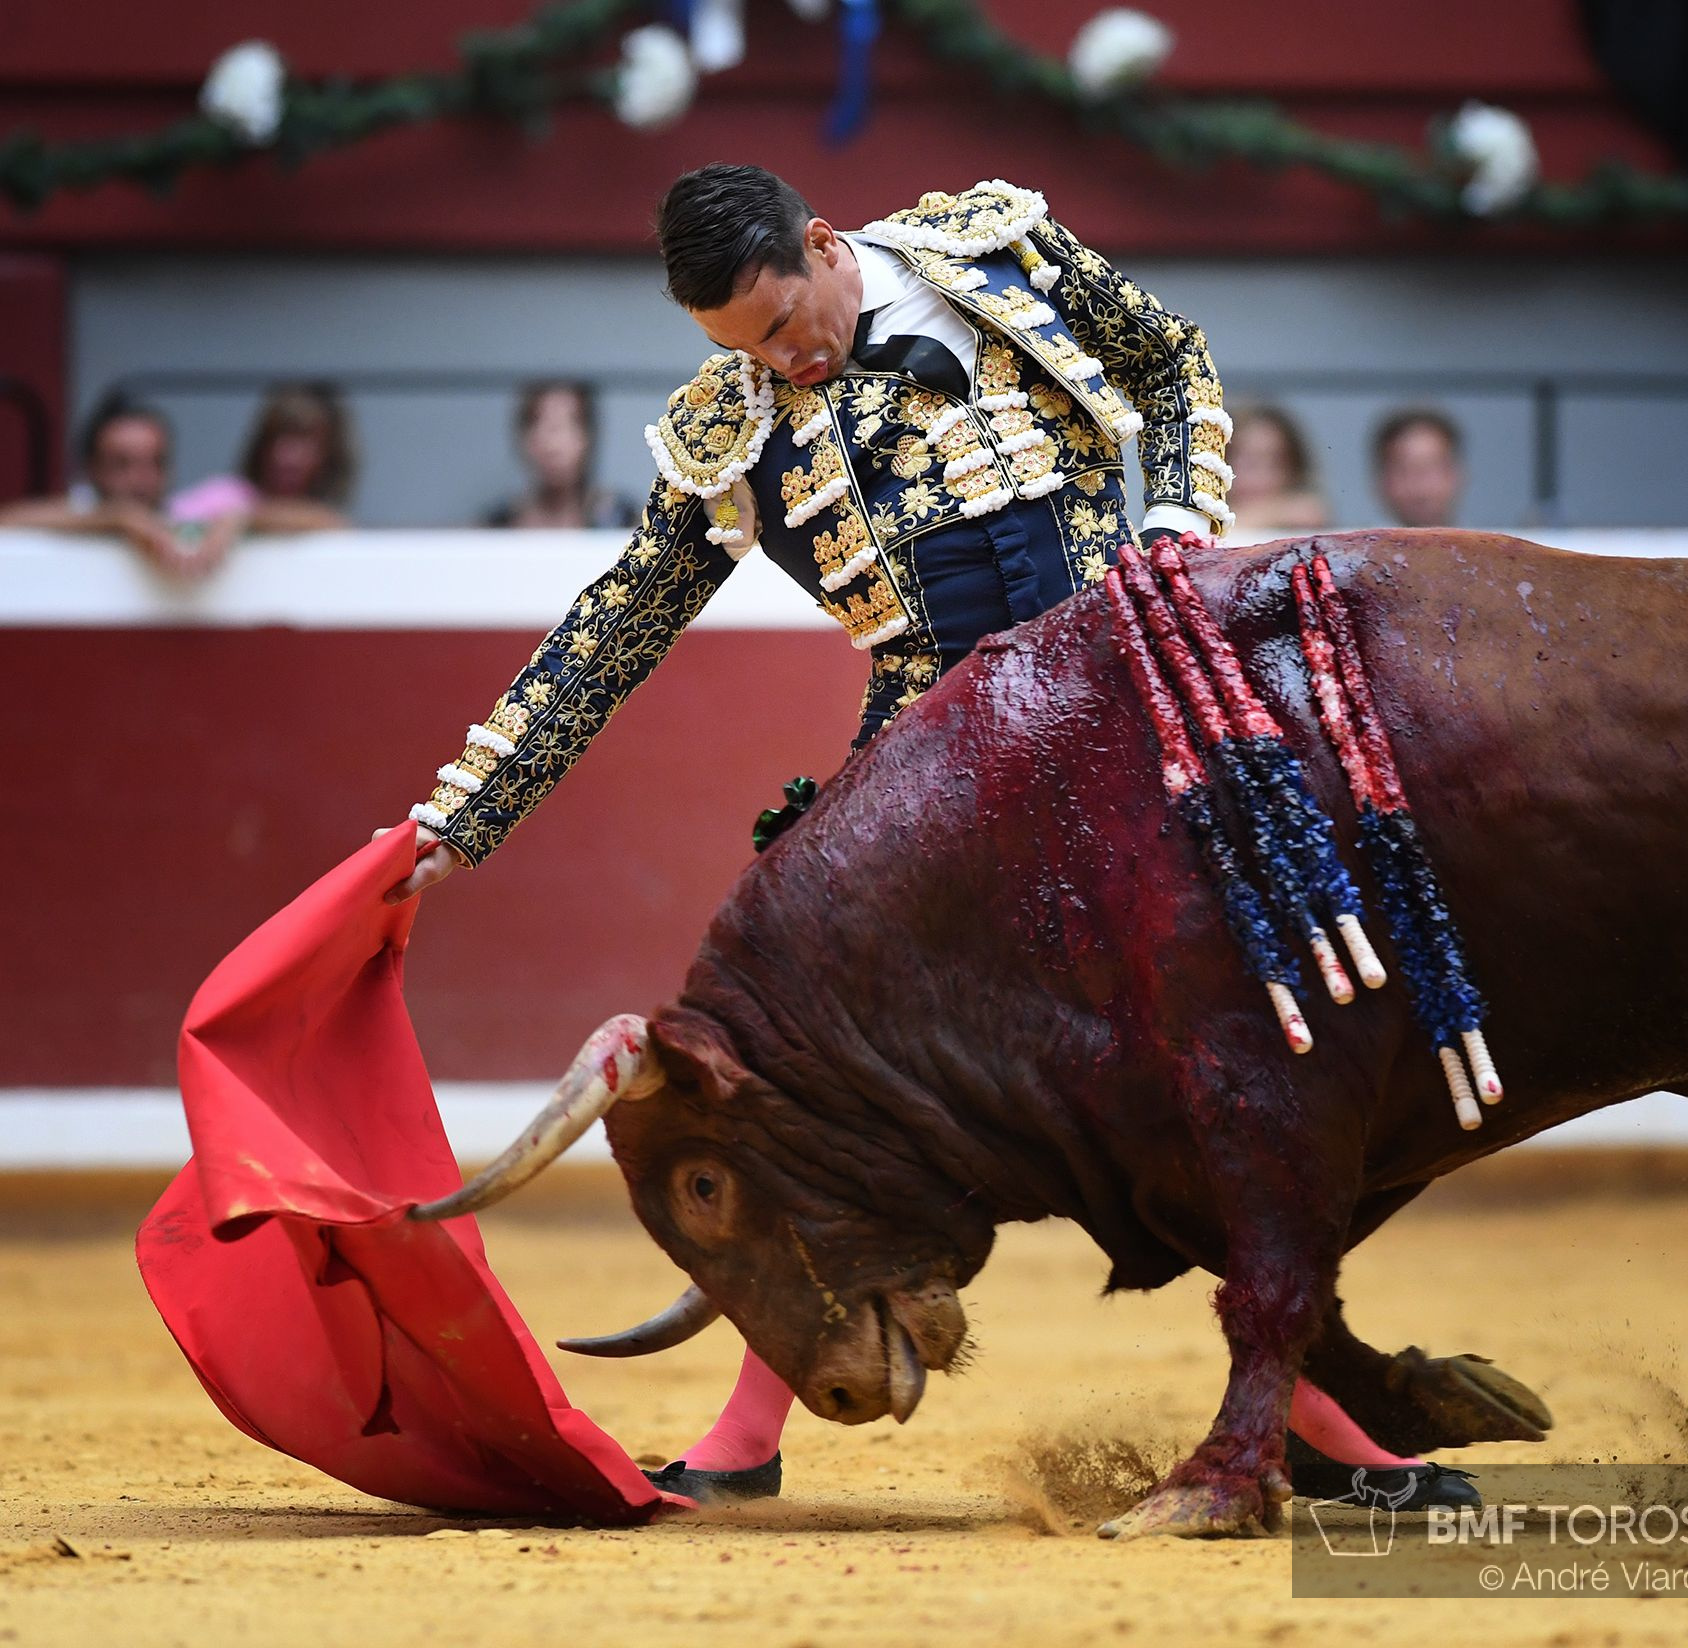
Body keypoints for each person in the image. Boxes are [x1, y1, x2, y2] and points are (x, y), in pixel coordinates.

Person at [377, 165, 1468, 1513]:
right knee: (820, 1095)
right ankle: (743, 1435)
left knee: (1230, 1057)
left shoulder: (993, 250)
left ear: (826, 247)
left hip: (1128, 715)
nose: (787, 363)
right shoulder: (727, 427)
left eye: (787, 324)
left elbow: (1171, 359)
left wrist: (1180, 522)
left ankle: (1315, 1413)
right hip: (926, 787)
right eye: (748, 350)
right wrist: (459, 817)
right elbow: (619, 625)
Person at [0, 392, 236, 578]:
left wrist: (238, 520)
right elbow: (6, 520)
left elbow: (267, 510)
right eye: (122, 464)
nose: (141, 479)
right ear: (91, 468)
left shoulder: (184, 513)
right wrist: (114, 518)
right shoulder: (79, 510)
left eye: (156, 462)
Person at [168, 381, 356, 534]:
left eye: (305, 444)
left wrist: (245, 520)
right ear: (261, 446)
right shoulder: (226, 496)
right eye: (280, 439)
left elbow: (337, 526)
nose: (288, 458)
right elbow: (167, 524)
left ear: (329, 456)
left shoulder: (323, 518)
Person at [481, 380, 639, 529]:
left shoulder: (620, 520)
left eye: (569, 424)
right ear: (524, 438)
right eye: (541, 424)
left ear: (588, 437)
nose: (554, 445)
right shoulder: (499, 526)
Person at [1223, 402, 1328, 533]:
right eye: (1249, 464)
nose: (1261, 478)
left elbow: (1311, 512)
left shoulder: (1302, 518)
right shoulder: (1198, 520)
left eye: (1275, 464)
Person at [1372, 406, 1465, 529]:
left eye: (1430, 469)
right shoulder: (1357, 547)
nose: (1420, 490)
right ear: (1381, 480)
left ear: (1456, 473)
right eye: (1404, 472)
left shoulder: (1490, 547)